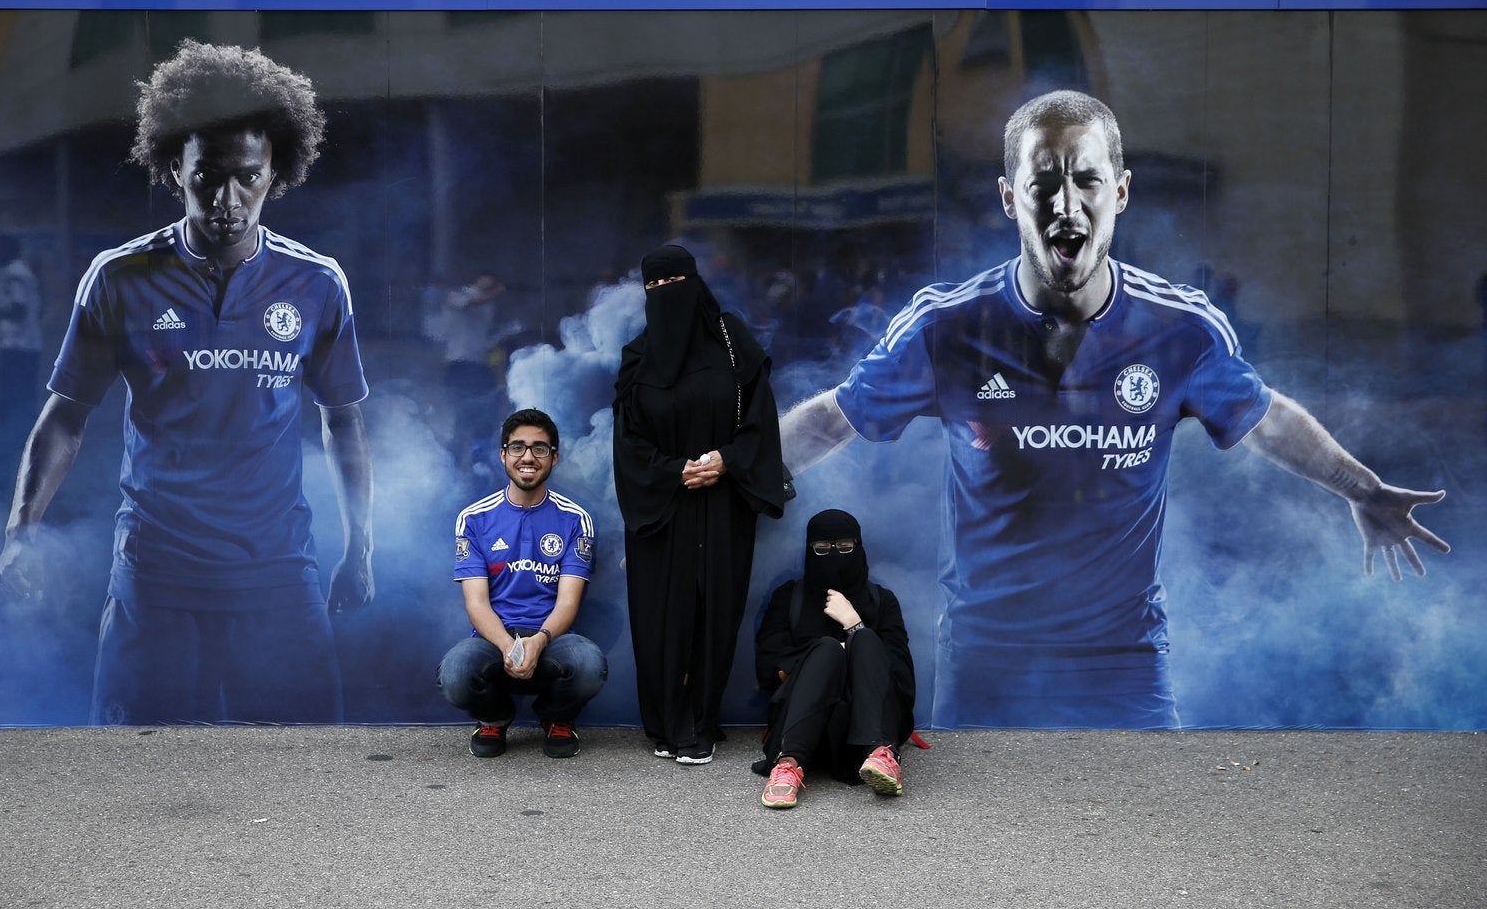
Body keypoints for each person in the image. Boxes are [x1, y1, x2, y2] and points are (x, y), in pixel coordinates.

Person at [780, 90, 1449, 730]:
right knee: (978, 846)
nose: (1066, 205)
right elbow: (831, 417)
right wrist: (731, 469)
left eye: (1088, 180)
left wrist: (1361, 489)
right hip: (986, 667)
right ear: (1011, 198)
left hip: (1125, 669)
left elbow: (1264, 417)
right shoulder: (946, 327)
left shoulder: (1181, 329)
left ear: (1120, 192)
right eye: (1044, 182)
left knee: (1151, 840)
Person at [0, 40, 374, 726]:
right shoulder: (119, 278)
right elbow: (67, 414)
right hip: (155, 574)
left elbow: (342, 419)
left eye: (248, 178)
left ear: (275, 171)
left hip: (278, 574)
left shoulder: (316, 283)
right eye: (208, 177)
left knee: (304, 781)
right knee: (144, 783)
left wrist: (360, 549)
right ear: (174, 169)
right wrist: (21, 530)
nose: (228, 199)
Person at [612, 244, 786, 764]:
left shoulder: (733, 343)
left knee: (715, 610)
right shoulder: (639, 357)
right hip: (663, 508)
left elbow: (761, 421)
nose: (667, 295)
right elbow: (628, 442)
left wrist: (727, 460)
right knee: (660, 614)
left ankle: (702, 720)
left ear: (696, 282)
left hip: (722, 504)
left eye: (675, 282)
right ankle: (667, 722)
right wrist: (673, 470)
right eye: (655, 287)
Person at [439, 408, 606, 758]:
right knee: (455, 673)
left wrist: (538, 641)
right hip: (493, 638)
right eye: (518, 447)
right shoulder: (473, 518)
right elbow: (477, 603)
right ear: (503, 455)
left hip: (551, 637)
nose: (528, 456)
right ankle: (495, 719)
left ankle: (556, 718)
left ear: (554, 458)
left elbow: (568, 604)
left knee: (590, 664)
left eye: (539, 448)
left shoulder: (576, 519)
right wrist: (506, 645)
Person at [752, 509, 916, 809]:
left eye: (844, 547)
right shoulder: (789, 598)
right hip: (804, 720)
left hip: (864, 724)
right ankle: (788, 764)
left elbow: (901, 673)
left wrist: (854, 626)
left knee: (865, 638)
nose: (834, 556)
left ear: (859, 547)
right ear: (809, 550)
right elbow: (768, 666)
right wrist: (829, 655)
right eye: (822, 549)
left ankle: (881, 753)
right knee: (827, 648)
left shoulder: (883, 601)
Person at [0, 236, 45, 490]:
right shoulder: (23, 273)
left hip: (17, 351)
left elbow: (18, 309)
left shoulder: (14, 274)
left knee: (14, 411)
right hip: (25, 349)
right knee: (19, 407)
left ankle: (6, 476)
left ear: (6, 250)